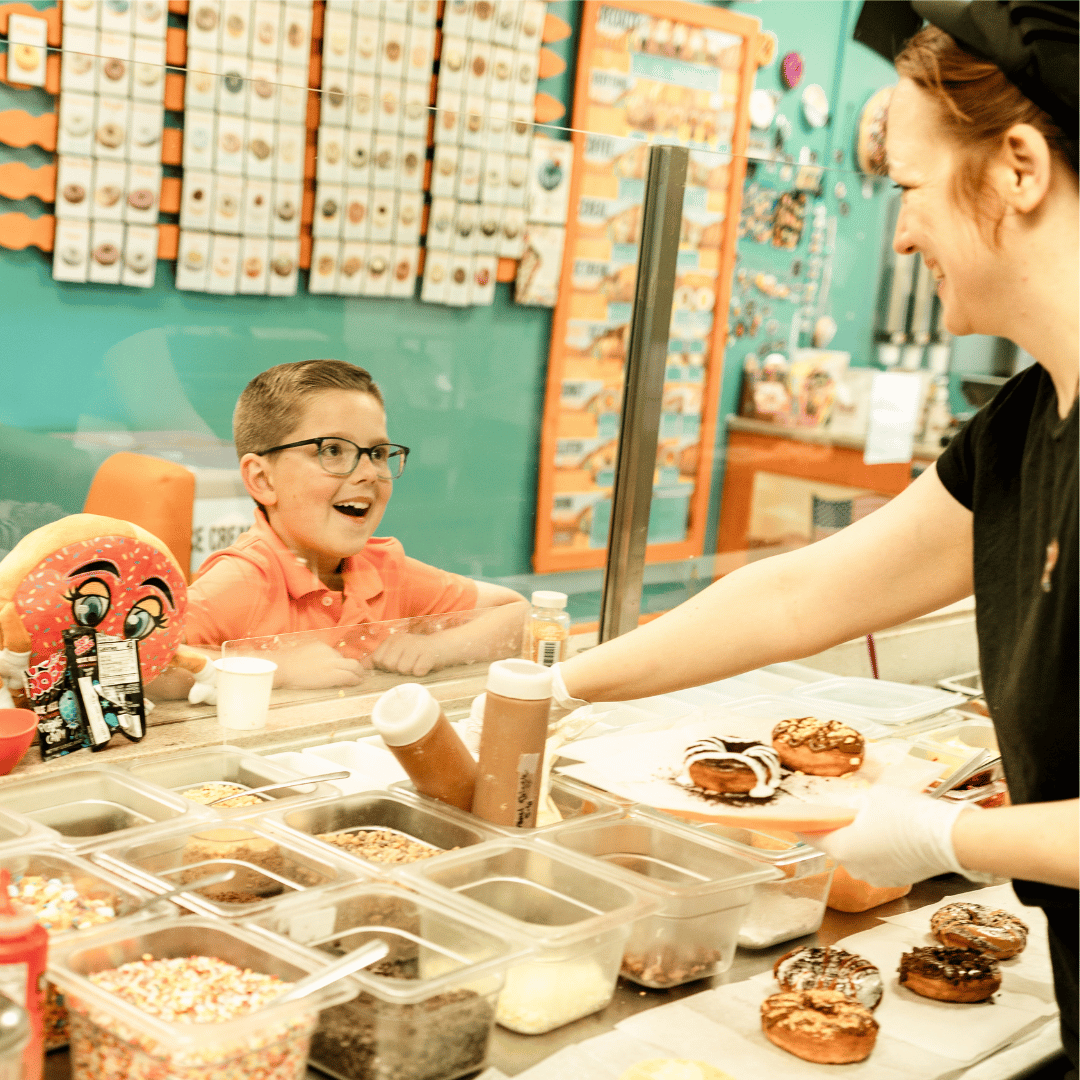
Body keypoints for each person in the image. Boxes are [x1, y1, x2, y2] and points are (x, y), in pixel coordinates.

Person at [553, 2, 1079, 1071]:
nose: (900, 233)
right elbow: (799, 597)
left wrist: (948, 838)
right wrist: (565, 685)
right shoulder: (1027, 428)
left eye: (909, 190)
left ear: (1018, 167)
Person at [183, 360, 525, 684]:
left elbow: (518, 615)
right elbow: (137, 660)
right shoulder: (243, 580)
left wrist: (433, 649)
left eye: (377, 454)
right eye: (332, 450)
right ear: (262, 479)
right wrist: (275, 669)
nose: (367, 474)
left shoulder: (384, 571)